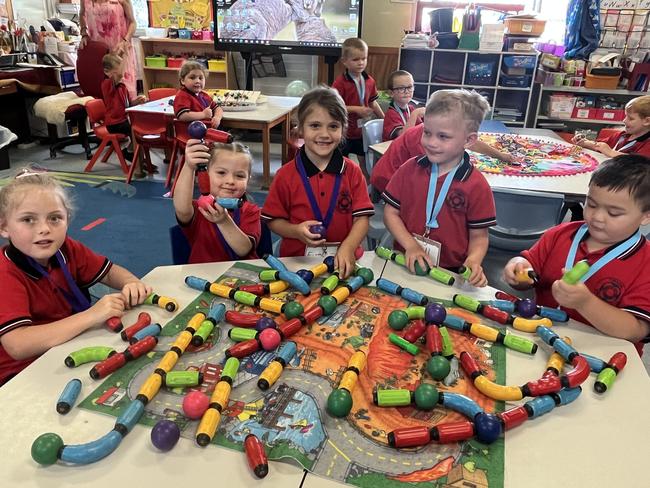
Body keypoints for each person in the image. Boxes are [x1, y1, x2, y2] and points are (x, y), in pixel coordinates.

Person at [0, 170, 152, 386]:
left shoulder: (66, 248)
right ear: (4, 227)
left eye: (55, 218)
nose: (44, 229)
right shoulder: (5, 273)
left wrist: (130, 282)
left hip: (69, 346)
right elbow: (18, 345)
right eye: (28, 220)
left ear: (67, 220)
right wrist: (92, 315)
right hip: (22, 373)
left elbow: (108, 272)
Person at [503, 155, 650, 355]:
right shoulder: (560, 234)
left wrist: (585, 303)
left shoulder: (645, 263)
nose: (597, 217)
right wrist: (518, 268)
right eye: (592, 204)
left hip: (601, 354)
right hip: (541, 341)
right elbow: (529, 264)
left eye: (614, 213)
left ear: (646, 215)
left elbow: (635, 330)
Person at [382, 89, 496, 287]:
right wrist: (411, 246)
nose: (431, 143)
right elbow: (390, 213)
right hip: (405, 260)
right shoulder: (408, 169)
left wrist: (474, 261)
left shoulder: (477, 185)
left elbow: (479, 236)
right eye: (427, 133)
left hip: (449, 273)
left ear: (469, 140)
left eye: (443, 137)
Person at [261, 86, 374, 278]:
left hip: (344, 261)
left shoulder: (352, 171)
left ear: (343, 129)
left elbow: (361, 218)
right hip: (297, 262)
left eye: (333, 126)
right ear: (300, 129)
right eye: (315, 126)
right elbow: (273, 221)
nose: (324, 134)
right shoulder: (285, 175)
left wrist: (348, 247)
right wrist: (295, 231)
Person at [371, 112, 516, 195]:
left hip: (403, 179)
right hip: (387, 180)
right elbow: (434, 175)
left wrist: (500, 155)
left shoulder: (445, 129)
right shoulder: (425, 140)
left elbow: (471, 142)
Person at [174, 141, 261, 264]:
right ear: (205, 173)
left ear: (248, 178)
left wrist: (223, 221)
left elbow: (243, 250)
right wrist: (189, 166)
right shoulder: (199, 209)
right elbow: (181, 209)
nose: (230, 181)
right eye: (221, 173)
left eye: (240, 176)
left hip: (242, 277)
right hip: (204, 277)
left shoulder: (250, 211)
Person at [332, 38, 384, 180]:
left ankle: (366, 185)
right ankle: (341, 184)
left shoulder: (370, 81)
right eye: (355, 59)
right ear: (344, 61)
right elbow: (335, 106)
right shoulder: (340, 83)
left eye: (364, 58)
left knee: (364, 161)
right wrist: (356, 109)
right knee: (341, 163)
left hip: (362, 132)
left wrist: (384, 118)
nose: (361, 62)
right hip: (345, 132)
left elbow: (373, 102)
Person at [79, 0, 138, 99]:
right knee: (100, 95)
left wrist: (125, 40)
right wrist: (84, 33)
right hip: (98, 55)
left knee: (123, 95)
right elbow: (81, 14)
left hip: (119, 52)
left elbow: (133, 22)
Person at [101, 53, 146, 164]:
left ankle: (132, 153)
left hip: (123, 120)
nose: (121, 73)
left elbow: (128, 105)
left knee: (141, 128)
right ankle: (132, 154)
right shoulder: (106, 84)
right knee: (136, 130)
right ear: (107, 72)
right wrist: (126, 55)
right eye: (117, 71)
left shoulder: (122, 87)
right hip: (114, 123)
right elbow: (120, 74)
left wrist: (137, 101)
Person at [572, 95, 650, 158]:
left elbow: (639, 163)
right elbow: (600, 146)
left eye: (631, 118)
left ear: (647, 121)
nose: (624, 121)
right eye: (625, 116)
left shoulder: (647, 144)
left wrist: (610, 152)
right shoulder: (621, 135)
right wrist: (584, 142)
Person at [173, 61, 224, 129]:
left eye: (200, 78)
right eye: (192, 78)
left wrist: (217, 118)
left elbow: (217, 108)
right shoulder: (183, 95)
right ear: (182, 80)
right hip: (191, 134)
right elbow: (182, 115)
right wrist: (203, 114)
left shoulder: (204, 95)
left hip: (206, 130)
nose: (197, 81)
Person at [382, 70, 425, 142]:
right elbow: (403, 136)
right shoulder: (391, 114)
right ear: (391, 93)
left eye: (410, 87)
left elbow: (421, 128)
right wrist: (415, 114)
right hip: (391, 150)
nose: (407, 91)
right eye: (401, 88)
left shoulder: (411, 108)